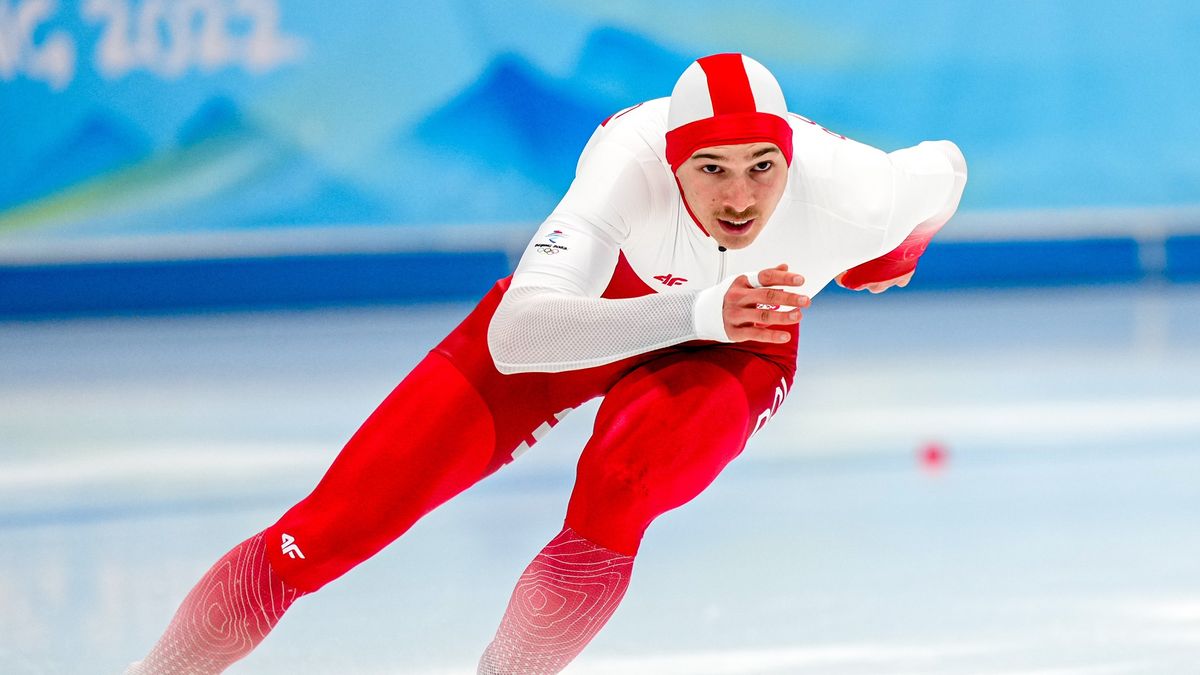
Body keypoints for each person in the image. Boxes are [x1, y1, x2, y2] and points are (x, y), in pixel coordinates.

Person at [125, 52, 966, 674]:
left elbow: (946, 169)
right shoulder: (624, 162)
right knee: (331, 528)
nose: (740, 197)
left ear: (791, 159)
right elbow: (518, 337)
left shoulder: (857, 190)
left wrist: (895, 250)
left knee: (621, 485)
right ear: (673, 164)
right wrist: (701, 306)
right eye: (711, 170)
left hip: (738, 341)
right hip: (599, 313)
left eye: (762, 169)